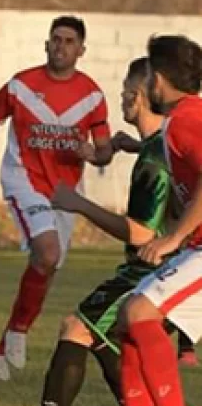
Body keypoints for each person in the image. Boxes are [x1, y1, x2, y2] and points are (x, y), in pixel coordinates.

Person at [0, 16, 115, 380]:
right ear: (46, 45)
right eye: (55, 39)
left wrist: (90, 153)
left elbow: (104, 151)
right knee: (48, 253)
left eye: (69, 41)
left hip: (65, 192)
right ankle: (19, 332)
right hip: (24, 181)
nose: (60, 46)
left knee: (47, 267)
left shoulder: (92, 94)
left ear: (81, 50)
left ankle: (7, 339)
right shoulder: (22, 85)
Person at [40, 57, 182, 406]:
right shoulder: (166, 141)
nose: (120, 99)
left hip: (153, 269)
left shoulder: (152, 161)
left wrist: (78, 203)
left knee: (77, 327)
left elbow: (139, 234)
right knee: (105, 336)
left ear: (137, 97)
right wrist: (130, 145)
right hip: (169, 267)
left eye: (123, 92)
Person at [119, 35, 202, 406]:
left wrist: (173, 238)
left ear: (158, 80)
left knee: (139, 312)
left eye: (149, 71)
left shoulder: (188, 120)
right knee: (129, 317)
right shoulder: (180, 121)